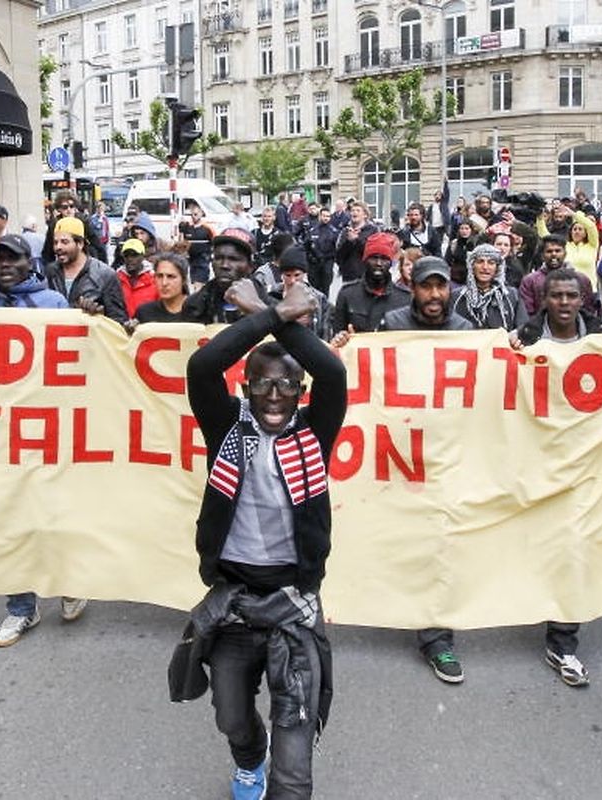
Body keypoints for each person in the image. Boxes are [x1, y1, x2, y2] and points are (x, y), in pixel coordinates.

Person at [180, 274, 346, 799]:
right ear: (244, 387)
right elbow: (202, 366)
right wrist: (273, 315)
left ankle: (277, 769)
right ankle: (250, 758)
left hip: (293, 603)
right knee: (231, 716)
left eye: (287, 385)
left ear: (301, 392)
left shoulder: (313, 429)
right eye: (262, 383)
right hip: (233, 602)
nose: (274, 396)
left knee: (294, 766)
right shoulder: (226, 425)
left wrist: (263, 306)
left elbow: (332, 371)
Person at [0, 235, 76, 646]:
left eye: (13, 258)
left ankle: (70, 581)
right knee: (11, 521)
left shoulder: (53, 305)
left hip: (49, 430)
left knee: (53, 514)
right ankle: (21, 608)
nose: (5, 265)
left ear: (29, 262)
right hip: (1, 434)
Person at [507, 268, 602, 687]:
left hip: (585, 463)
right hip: (533, 460)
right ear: (543, 300)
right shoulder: (524, 338)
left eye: (572, 295)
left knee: (573, 548)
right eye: (557, 296)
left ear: (582, 299)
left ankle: (563, 641)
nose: (565, 302)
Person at [380, 256, 471, 683]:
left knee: (440, 540)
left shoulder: (467, 332)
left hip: (449, 452)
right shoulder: (391, 323)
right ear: (411, 287)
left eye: (441, 287)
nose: (435, 295)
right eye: (426, 287)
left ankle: (437, 638)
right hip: (397, 449)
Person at [44, 216, 127, 324]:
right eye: (55, 242)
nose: (58, 247)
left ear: (80, 244)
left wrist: (98, 316)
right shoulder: (50, 272)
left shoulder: (105, 275)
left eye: (64, 242)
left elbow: (118, 321)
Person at [181, 228, 271, 324]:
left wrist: (258, 311)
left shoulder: (270, 305)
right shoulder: (194, 305)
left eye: (234, 259)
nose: (224, 265)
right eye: (219, 258)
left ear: (250, 266)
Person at [329, 232, 402, 340]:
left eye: (384, 259)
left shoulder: (404, 298)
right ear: (365, 260)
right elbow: (337, 334)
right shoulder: (347, 294)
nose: (378, 263)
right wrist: (341, 338)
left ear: (390, 263)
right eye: (374, 258)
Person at [453, 243, 527, 331]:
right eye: (480, 262)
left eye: (491, 263)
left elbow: (522, 327)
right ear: (472, 266)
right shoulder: (457, 297)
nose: (485, 267)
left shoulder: (511, 296)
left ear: (497, 268)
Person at [520, 235, 597, 317]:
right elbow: (527, 313)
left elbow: (588, 310)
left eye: (558, 251)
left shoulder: (581, 279)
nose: (554, 254)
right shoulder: (530, 281)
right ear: (542, 255)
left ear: (565, 253)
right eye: (549, 251)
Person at [268, 245, 332, 341]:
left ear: (304, 274)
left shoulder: (320, 299)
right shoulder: (271, 297)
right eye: (288, 275)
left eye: (297, 275)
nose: (292, 280)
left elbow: (325, 335)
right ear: (281, 275)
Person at [42, 191, 108, 265]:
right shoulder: (54, 224)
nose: (69, 210)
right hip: (63, 263)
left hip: (84, 262)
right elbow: (48, 251)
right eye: (65, 207)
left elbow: (97, 244)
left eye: (72, 206)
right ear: (59, 209)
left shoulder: (83, 221)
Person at [135, 253, 190, 323]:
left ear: (184, 280)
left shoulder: (199, 312)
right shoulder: (144, 313)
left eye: (171, 276)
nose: (164, 283)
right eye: (160, 276)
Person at [334, 201, 379, 284]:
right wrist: (349, 242)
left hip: (367, 275)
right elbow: (339, 256)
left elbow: (373, 252)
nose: (354, 213)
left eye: (358, 211)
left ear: (365, 215)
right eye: (352, 210)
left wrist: (357, 240)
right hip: (349, 276)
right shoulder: (345, 231)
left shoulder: (373, 230)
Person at [178, 203, 217, 286]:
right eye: (191, 214)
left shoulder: (207, 228)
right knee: (193, 282)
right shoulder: (188, 227)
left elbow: (215, 241)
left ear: (201, 214)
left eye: (195, 214)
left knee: (199, 283)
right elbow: (181, 238)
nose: (193, 216)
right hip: (191, 259)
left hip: (203, 258)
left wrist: (212, 255)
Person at [117, 238, 157, 318]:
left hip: (147, 327)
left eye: (134, 255)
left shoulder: (155, 279)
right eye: (126, 255)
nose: (130, 259)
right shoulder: (116, 279)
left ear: (142, 256)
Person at [564, 210, 601, 291]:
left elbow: (591, 226)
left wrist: (574, 214)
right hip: (568, 290)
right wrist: (540, 218)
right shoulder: (565, 246)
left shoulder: (592, 245)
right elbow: (546, 236)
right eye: (574, 229)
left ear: (585, 233)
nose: (577, 232)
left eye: (580, 229)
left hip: (589, 290)